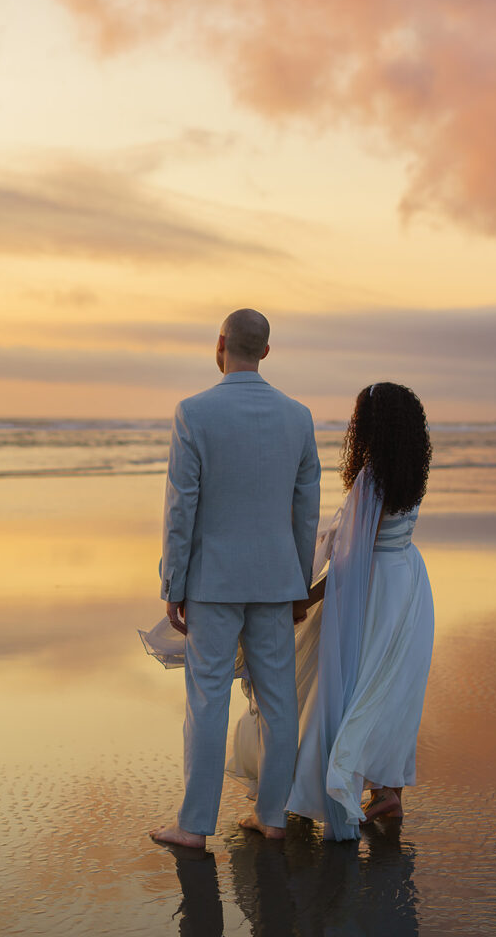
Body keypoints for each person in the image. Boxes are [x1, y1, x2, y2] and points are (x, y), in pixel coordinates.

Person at [227, 381, 434, 840]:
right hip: (409, 582)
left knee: (345, 690)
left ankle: (320, 790)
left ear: (369, 428)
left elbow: (349, 563)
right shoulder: (409, 474)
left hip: (373, 590)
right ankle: (388, 791)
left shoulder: (373, 479)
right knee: (389, 689)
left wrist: (305, 600)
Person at [148, 308, 321, 848]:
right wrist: (299, 582)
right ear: (266, 351)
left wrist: (172, 583)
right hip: (275, 581)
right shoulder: (298, 416)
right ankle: (272, 816)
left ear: (220, 343)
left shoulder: (194, 413)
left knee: (207, 702)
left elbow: (182, 507)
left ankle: (194, 826)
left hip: (213, 584)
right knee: (278, 703)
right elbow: (306, 508)